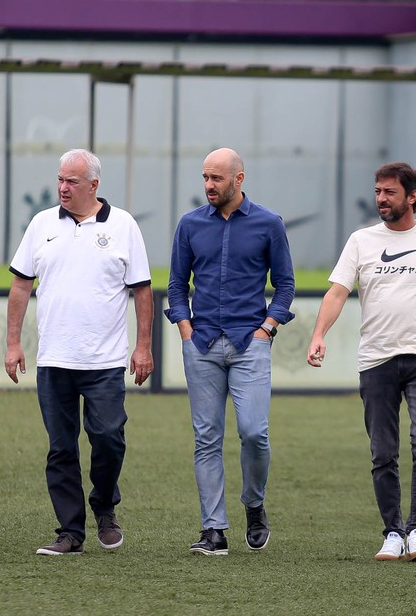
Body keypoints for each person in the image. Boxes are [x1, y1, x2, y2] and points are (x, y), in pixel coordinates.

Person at [306, 161, 416, 562]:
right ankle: (392, 533)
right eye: (378, 191)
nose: (380, 199)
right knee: (383, 452)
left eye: (389, 192)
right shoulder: (362, 240)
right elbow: (336, 293)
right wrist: (318, 335)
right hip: (377, 361)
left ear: (412, 196)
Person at [4, 148, 154, 556]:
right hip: (54, 360)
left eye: (71, 181)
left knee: (108, 438)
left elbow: (142, 289)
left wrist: (143, 347)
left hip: (104, 362)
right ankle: (70, 532)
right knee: (61, 447)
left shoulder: (123, 225)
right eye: (60, 180)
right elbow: (21, 286)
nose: (62, 188)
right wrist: (13, 342)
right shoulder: (40, 224)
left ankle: (104, 506)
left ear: (93, 184)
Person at [165, 147, 295, 555]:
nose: (208, 185)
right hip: (200, 344)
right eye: (205, 177)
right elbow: (175, 284)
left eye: (216, 178)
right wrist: (185, 329)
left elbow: (286, 285)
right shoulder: (189, 225)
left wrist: (267, 328)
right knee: (206, 438)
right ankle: (214, 530)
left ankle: (254, 506)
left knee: (254, 432)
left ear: (239, 180)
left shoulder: (268, 223)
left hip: (249, 343)